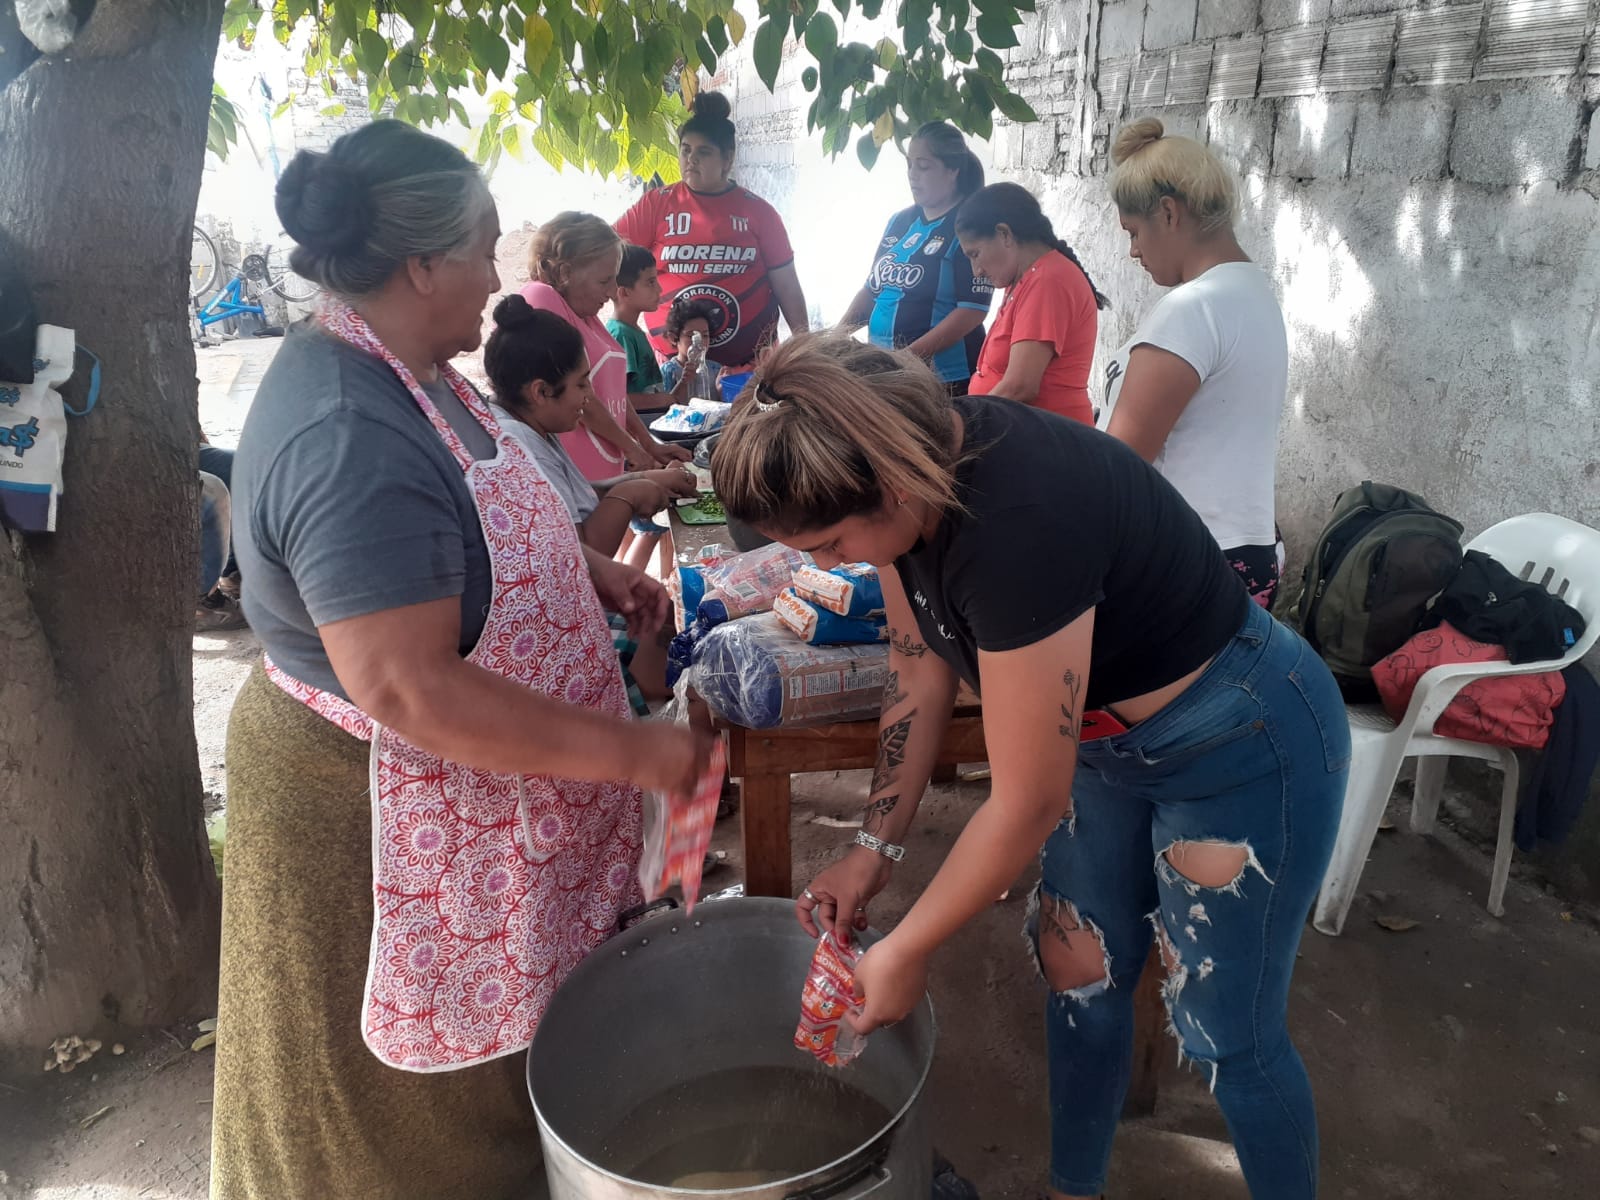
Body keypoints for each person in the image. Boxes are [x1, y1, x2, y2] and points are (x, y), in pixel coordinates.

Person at [712, 333, 1349, 1200]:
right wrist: (875, 845)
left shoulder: (1017, 522)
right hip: (1100, 743)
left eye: (828, 543)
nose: (832, 567)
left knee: (1227, 1032)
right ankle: (1071, 1189)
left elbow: (1026, 801)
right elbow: (916, 671)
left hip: (1240, 740)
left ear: (893, 482)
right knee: (1078, 971)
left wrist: (907, 947)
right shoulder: (906, 492)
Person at [210, 120, 709, 1200]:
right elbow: (407, 684)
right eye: (484, 248)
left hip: (478, 808)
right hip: (373, 822)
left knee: (494, 1087)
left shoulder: (426, 375)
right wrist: (634, 756)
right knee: (397, 1129)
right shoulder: (347, 427)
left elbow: (470, 547)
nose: (499, 276)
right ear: (421, 263)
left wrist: (588, 573)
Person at [1098, 118, 1288, 607]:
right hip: (1244, 550)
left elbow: (1118, 465)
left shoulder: (1193, 309)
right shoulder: (1254, 294)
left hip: (1184, 558)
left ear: (1167, 213)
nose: (1133, 251)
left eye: (1134, 232)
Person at [484, 295, 696, 702]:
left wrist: (644, 476)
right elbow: (583, 551)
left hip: (572, 596)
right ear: (542, 391)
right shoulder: (516, 443)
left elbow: (572, 496)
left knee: (667, 610)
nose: (589, 396)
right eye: (581, 384)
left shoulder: (535, 426)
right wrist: (628, 497)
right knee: (664, 625)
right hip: (553, 615)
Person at [615, 91, 809, 377]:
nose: (691, 159)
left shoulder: (760, 213)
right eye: (685, 150)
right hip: (672, 373)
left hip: (748, 372)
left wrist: (805, 345)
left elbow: (787, 286)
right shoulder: (656, 205)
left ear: (727, 159)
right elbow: (608, 259)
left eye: (703, 152)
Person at [521, 211, 689, 482]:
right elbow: (577, 396)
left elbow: (612, 392)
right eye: (604, 281)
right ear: (565, 272)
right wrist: (632, 449)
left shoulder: (585, 314)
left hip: (600, 471)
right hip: (569, 476)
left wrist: (649, 445)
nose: (612, 292)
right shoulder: (541, 298)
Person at [840, 122, 993, 395]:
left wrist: (907, 357)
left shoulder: (970, 224)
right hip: (887, 376)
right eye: (909, 165)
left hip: (943, 380)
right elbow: (872, 289)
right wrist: (835, 337)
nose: (912, 175)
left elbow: (972, 310)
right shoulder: (899, 221)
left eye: (923, 167)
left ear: (953, 170)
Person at [956, 182, 1109, 424]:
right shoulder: (1023, 279)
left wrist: (965, 425)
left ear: (1004, 234)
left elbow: (1020, 386)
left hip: (1050, 441)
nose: (976, 271)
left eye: (975, 254)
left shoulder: (1048, 280)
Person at [606, 242, 677, 411]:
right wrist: (661, 400)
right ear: (624, 292)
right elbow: (618, 399)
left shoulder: (633, 331)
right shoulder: (621, 334)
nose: (659, 289)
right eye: (651, 282)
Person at [658, 294, 720, 398]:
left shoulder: (716, 369)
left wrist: (723, 388)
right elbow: (665, 405)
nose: (699, 341)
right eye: (691, 335)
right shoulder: (668, 371)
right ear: (673, 338)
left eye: (705, 335)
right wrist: (683, 382)